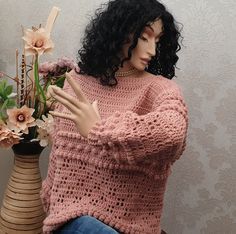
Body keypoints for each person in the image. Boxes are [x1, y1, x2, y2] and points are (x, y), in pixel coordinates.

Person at [41, 0, 188, 233]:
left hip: (130, 226)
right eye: (144, 37)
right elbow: (59, 156)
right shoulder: (77, 82)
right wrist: (50, 197)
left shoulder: (160, 89)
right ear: (120, 30)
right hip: (73, 220)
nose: (152, 50)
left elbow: (172, 135)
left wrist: (99, 131)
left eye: (157, 41)